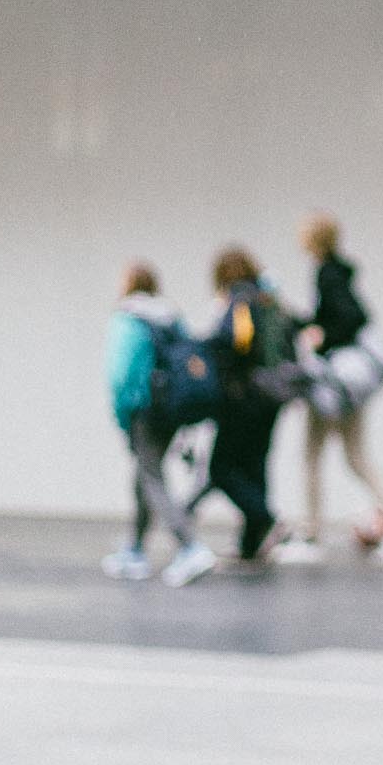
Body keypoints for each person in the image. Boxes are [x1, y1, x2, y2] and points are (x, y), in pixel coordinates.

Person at [273, 213, 383, 568]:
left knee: (312, 455)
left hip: (332, 384)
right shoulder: (337, 271)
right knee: (354, 455)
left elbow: (351, 318)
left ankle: (312, 535)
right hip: (345, 386)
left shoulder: (327, 273)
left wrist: (321, 335)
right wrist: (305, 322)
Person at [101, 263, 216, 587]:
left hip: (144, 409)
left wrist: (123, 417)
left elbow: (121, 376)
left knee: (151, 477)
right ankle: (134, 550)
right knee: (145, 474)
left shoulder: (127, 319)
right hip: (170, 410)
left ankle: (189, 545)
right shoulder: (169, 317)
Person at [198, 247, 285, 562]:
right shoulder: (267, 297)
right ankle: (251, 545)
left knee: (220, 468)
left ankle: (265, 519)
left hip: (243, 397)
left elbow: (237, 340)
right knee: (254, 465)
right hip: (272, 395)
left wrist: (201, 347)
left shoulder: (240, 298)